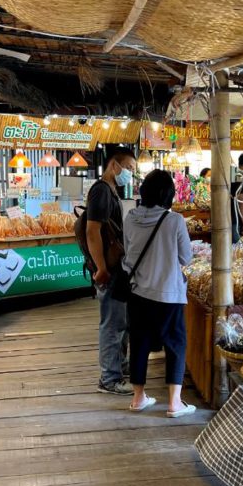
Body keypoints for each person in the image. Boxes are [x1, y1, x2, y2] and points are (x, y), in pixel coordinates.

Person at [122, 169, 194, 418]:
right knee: (175, 343)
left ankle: (138, 397)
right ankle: (174, 403)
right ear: (169, 194)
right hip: (169, 294)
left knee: (139, 342)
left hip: (138, 292)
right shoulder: (174, 221)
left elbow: (128, 251)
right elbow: (186, 257)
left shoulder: (130, 218)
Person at [86, 146, 136, 395]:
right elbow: (92, 230)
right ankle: (109, 379)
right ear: (113, 165)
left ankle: (119, 368)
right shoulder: (101, 191)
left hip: (116, 267)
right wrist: (101, 268)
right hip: (109, 269)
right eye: (128, 168)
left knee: (121, 322)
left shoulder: (111, 190)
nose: (130, 173)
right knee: (112, 324)